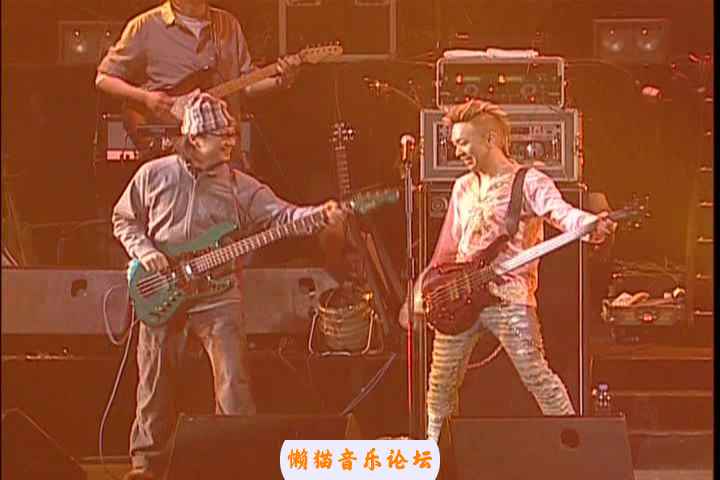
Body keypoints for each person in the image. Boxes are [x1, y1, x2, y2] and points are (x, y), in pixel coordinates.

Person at [112, 93, 344, 480]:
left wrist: (317, 215)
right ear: (194, 138)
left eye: (232, 134)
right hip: (161, 291)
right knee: (153, 383)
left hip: (217, 299)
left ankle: (236, 463)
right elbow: (124, 219)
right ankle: (145, 465)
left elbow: (282, 216)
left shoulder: (240, 186)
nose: (230, 142)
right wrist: (145, 251)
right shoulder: (153, 175)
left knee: (233, 385)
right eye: (221, 136)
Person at [399, 99, 617, 443]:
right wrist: (416, 295)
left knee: (537, 376)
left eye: (463, 143)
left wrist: (590, 224)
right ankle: (435, 453)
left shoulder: (529, 181)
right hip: (460, 298)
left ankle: (574, 447)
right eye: (455, 144)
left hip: (509, 299)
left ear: (489, 139)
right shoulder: (463, 187)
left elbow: (561, 213)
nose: (458, 152)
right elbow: (446, 252)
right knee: (440, 386)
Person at [96, 0, 299, 169]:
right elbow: (104, 79)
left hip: (223, 156)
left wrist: (281, 81)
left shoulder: (228, 24)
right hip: (171, 157)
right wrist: (147, 98)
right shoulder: (144, 25)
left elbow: (246, 84)